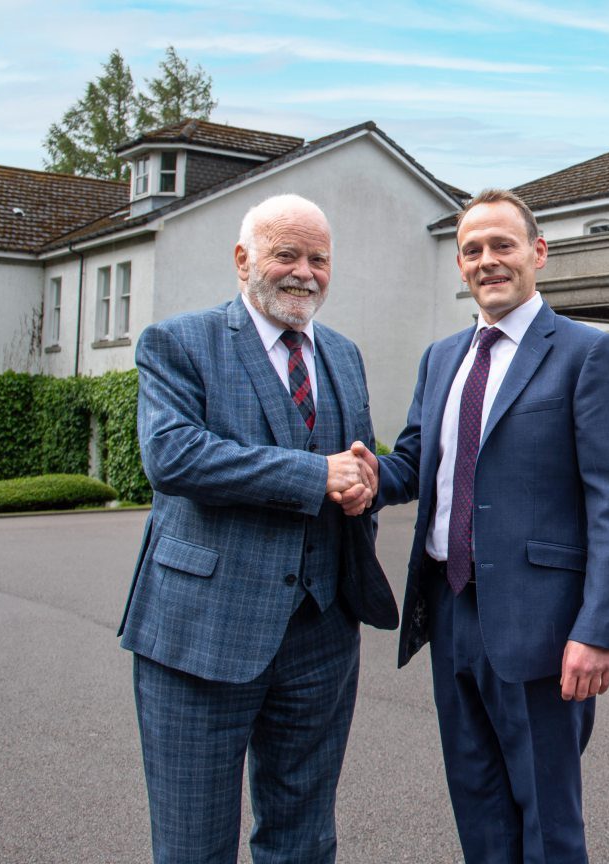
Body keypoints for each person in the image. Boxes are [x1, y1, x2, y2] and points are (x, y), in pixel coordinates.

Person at [119, 193, 393, 864]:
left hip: (322, 634)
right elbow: (173, 456)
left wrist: (364, 486)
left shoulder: (343, 354)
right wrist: (314, 476)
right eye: (286, 254)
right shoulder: (179, 342)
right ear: (243, 260)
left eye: (319, 259)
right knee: (194, 842)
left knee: (302, 835)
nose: (305, 272)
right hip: (202, 633)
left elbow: (352, 459)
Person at [374, 188, 609, 862]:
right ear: (460, 265)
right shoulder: (442, 359)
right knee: (479, 808)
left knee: (547, 822)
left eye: (502, 245)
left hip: (543, 630)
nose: (487, 260)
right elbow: (415, 462)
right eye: (473, 250)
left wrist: (596, 628)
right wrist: (364, 476)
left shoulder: (587, 354)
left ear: (538, 253)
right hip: (448, 611)